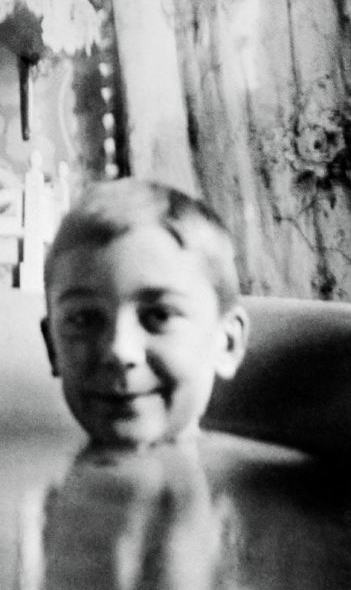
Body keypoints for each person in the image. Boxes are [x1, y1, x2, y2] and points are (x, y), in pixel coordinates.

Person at [40, 178, 249, 449]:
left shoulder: (258, 481)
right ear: (52, 347)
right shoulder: (31, 481)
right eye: (84, 319)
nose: (120, 351)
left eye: (159, 315)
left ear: (228, 342)